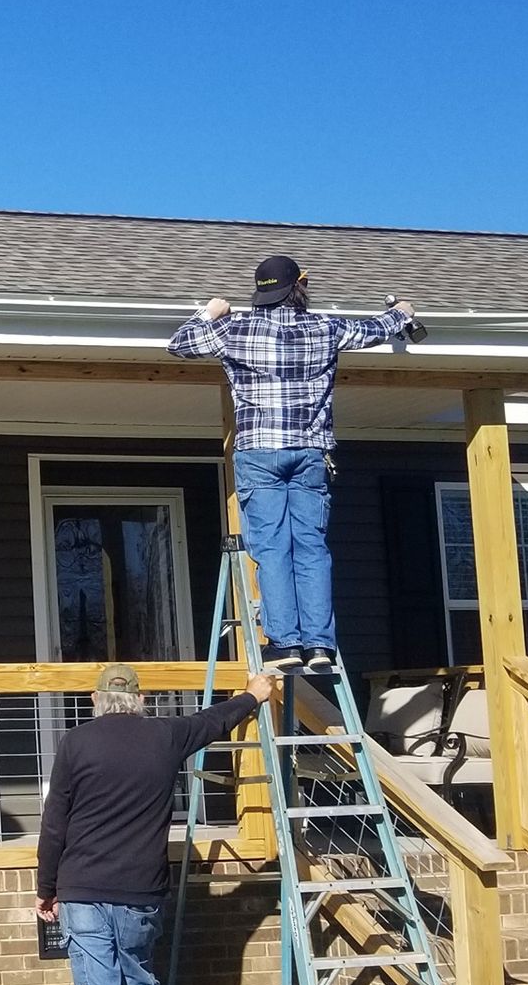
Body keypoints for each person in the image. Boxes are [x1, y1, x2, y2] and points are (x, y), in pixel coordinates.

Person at [35, 662, 279, 985]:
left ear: (96, 700)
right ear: (140, 699)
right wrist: (253, 695)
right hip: (141, 891)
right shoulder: (165, 736)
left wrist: (46, 889)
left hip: (82, 890)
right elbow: (213, 721)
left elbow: (54, 825)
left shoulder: (75, 743)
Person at [168, 256, 414, 673]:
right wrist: (401, 312)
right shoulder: (325, 327)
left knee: (272, 549)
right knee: (312, 548)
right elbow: (374, 330)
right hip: (309, 453)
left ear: (261, 291)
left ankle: (285, 645)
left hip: (260, 453)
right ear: (299, 286)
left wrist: (210, 310)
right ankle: (320, 645)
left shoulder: (234, 328)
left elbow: (180, 343)